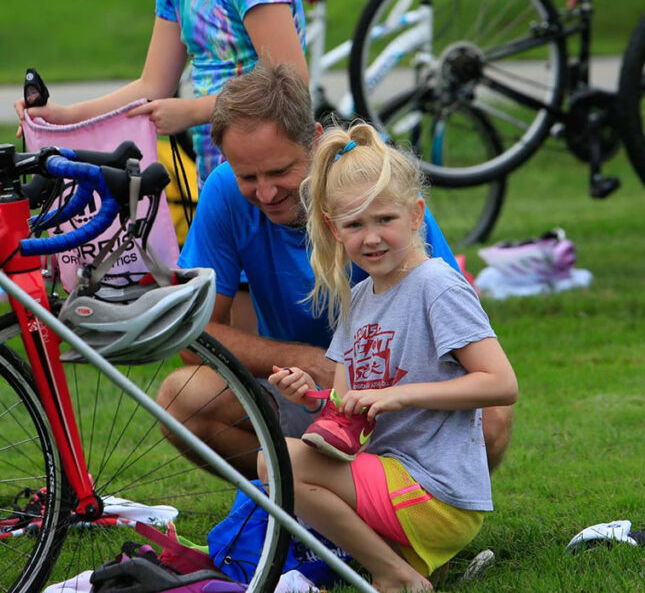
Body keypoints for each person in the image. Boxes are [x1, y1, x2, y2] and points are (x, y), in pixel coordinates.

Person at [157, 63, 514, 477]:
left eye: (279, 171)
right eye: (247, 176)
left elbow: (455, 329)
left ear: (313, 140)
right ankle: (293, 507)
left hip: (395, 392)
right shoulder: (222, 191)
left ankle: (401, 508)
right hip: (298, 390)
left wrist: (380, 389)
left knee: (490, 417)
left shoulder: (374, 186)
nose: (266, 192)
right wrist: (307, 362)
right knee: (179, 397)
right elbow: (192, 333)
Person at [265, 122, 518, 593]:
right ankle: (406, 566)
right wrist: (307, 396)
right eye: (355, 224)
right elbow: (344, 408)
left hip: (436, 491)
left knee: (276, 461)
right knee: (280, 455)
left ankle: (394, 574)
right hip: (391, 477)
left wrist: (402, 396)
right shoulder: (359, 299)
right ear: (333, 229)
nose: (372, 237)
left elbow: (502, 384)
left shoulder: (436, 286)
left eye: (385, 219)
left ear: (417, 214)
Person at [14, 0, 307, 185]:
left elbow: (290, 84)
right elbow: (152, 86)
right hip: (220, 178)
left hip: (272, 178)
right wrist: (65, 116)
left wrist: (192, 111)